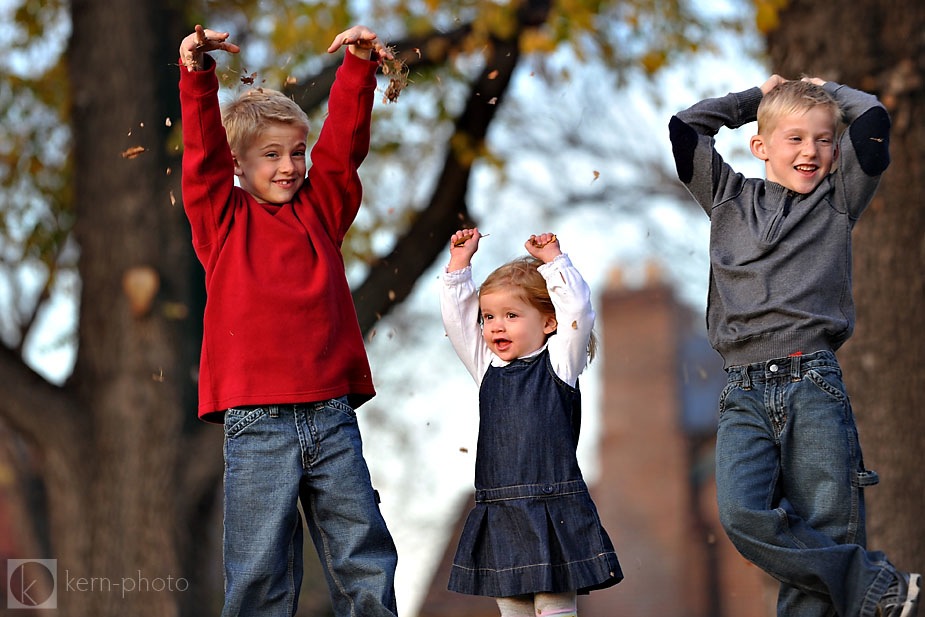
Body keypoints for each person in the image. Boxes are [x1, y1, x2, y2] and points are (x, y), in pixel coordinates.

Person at [669, 75, 919, 617]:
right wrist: (754, 100)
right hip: (744, 393)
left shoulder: (839, 198)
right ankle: (870, 583)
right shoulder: (728, 197)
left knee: (824, 524)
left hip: (813, 384)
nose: (812, 151)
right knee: (742, 515)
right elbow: (686, 129)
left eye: (825, 140)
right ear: (760, 146)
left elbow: (873, 118)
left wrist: (820, 86)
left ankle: (862, 589)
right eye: (796, 138)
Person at [177, 24, 399, 617]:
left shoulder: (321, 210)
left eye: (296, 151)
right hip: (256, 423)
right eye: (271, 155)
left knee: (364, 558)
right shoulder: (221, 223)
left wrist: (357, 68)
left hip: (329, 415)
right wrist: (198, 77)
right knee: (258, 574)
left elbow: (343, 149)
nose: (289, 166)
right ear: (240, 166)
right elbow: (200, 158)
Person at [440, 229, 623, 617]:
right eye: (488, 317)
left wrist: (554, 262)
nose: (496, 327)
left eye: (511, 315)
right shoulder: (486, 366)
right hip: (501, 511)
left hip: (553, 507)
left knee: (554, 608)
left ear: (548, 323)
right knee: (513, 610)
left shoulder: (559, 364)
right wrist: (459, 266)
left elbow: (578, 311)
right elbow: (457, 320)